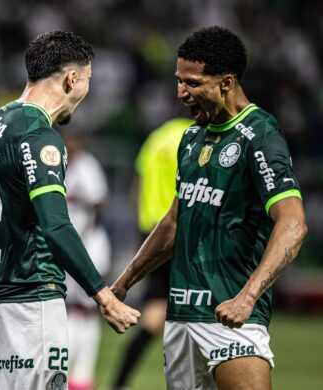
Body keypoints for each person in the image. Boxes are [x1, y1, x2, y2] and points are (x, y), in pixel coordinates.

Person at [111, 26, 307, 390]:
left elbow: (293, 225)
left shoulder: (259, 135)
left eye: (193, 83)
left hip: (230, 318)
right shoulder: (190, 139)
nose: (181, 92)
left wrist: (247, 298)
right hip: (181, 317)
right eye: (179, 80)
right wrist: (122, 284)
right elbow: (174, 222)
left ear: (226, 83)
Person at [0, 31, 140, 390]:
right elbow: (56, 226)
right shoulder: (40, 137)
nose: (86, 92)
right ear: (72, 79)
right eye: (87, 80)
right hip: (31, 294)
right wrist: (103, 295)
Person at [112, 117, 192, 390]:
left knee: (155, 311)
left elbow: (138, 184)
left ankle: (118, 383)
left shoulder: (155, 138)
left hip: (151, 233)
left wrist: (142, 227)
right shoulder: (195, 137)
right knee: (195, 309)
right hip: (182, 231)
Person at [63, 132, 112, 390]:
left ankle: (82, 376)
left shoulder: (87, 166)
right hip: (71, 248)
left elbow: (98, 203)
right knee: (73, 308)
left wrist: (85, 237)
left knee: (86, 309)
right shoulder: (64, 167)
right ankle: (77, 376)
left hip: (89, 247)